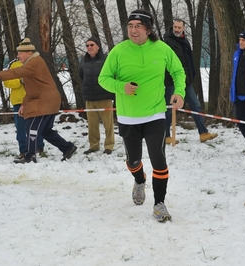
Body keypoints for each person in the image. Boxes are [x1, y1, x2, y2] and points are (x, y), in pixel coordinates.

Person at [98, 9, 185, 222]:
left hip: (155, 114)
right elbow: (103, 78)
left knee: (159, 160)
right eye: (130, 26)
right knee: (133, 160)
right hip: (129, 117)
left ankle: (159, 203)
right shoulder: (118, 51)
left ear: (148, 29)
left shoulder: (162, 48)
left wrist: (179, 92)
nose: (133, 30)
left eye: (138, 26)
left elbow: (178, 71)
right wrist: (121, 87)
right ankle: (139, 179)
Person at [0, 38, 77, 163]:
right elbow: (30, 90)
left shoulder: (34, 62)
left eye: (20, 53)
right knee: (45, 130)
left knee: (31, 127)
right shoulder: (31, 64)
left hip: (45, 101)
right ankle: (67, 147)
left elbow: (19, 72)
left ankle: (29, 156)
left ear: (29, 53)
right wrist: (24, 104)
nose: (18, 56)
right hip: (46, 100)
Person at [164, 19, 218, 144]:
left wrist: (192, 75)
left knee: (196, 105)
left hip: (186, 81)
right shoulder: (167, 42)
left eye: (179, 27)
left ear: (183, 28)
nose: (177, 29)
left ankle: (203, 133)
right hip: (171, 81)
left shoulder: (185, 42)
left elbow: (189, 61)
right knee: (169, 108)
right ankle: (166, 136)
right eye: (175, 27)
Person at [3, 58, 47, 159]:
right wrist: (20, 81)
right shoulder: (13, 65)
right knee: (21, 128)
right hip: (19, 101)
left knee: (37, 126)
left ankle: (39, 148)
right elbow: (7, 82)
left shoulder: (38, 63)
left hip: (35, 100)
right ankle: (23, 150)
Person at [79, 36, 115, 155]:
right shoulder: (84, 60)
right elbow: (81, 75)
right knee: (92, 125)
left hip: (104, 96)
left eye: (92, 45)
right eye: (87, 45)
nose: (89, 47)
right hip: (90, 97)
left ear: (98, 46)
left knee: (108, 124)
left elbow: (113, 75)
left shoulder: (106, 59)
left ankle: (109, 145)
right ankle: (94, 145)